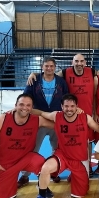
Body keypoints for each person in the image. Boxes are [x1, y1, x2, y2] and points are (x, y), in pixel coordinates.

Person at [28, 93, 99, 198]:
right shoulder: (56, 116)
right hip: (63, 156)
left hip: (80, 159)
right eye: (66, 106)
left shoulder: (85, 117)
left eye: (72, 106)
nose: (69, 109)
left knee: (79, 195)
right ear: (61, 106)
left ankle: (73, 176)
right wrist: (22, 109)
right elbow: (40, 113)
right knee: (45, 168)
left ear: (77, 106)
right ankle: (41, 196)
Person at [0, 93, 53, 198]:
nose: (24, 108)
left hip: (26, 159)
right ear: (15, 105)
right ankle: (8, 185)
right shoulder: (2, 119)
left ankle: (42, 186)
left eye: (28, 105)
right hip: (5, 164)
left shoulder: (37, 120)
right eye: (21, 104)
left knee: (41, 162)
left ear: (32, 108)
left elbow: (59, 124)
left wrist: (78, 118)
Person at [17, 57, 68, 188]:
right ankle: (25, 175)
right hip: (38, 121)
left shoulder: (61, 82)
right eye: (46, 66)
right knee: (32, 148)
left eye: (51, 66)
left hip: (55, 120)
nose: (49, 68)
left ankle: (54, 172)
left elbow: (66, 100)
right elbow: (26, 98)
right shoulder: (34, 80)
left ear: (55, 67)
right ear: (42, 66)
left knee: (57, 149)